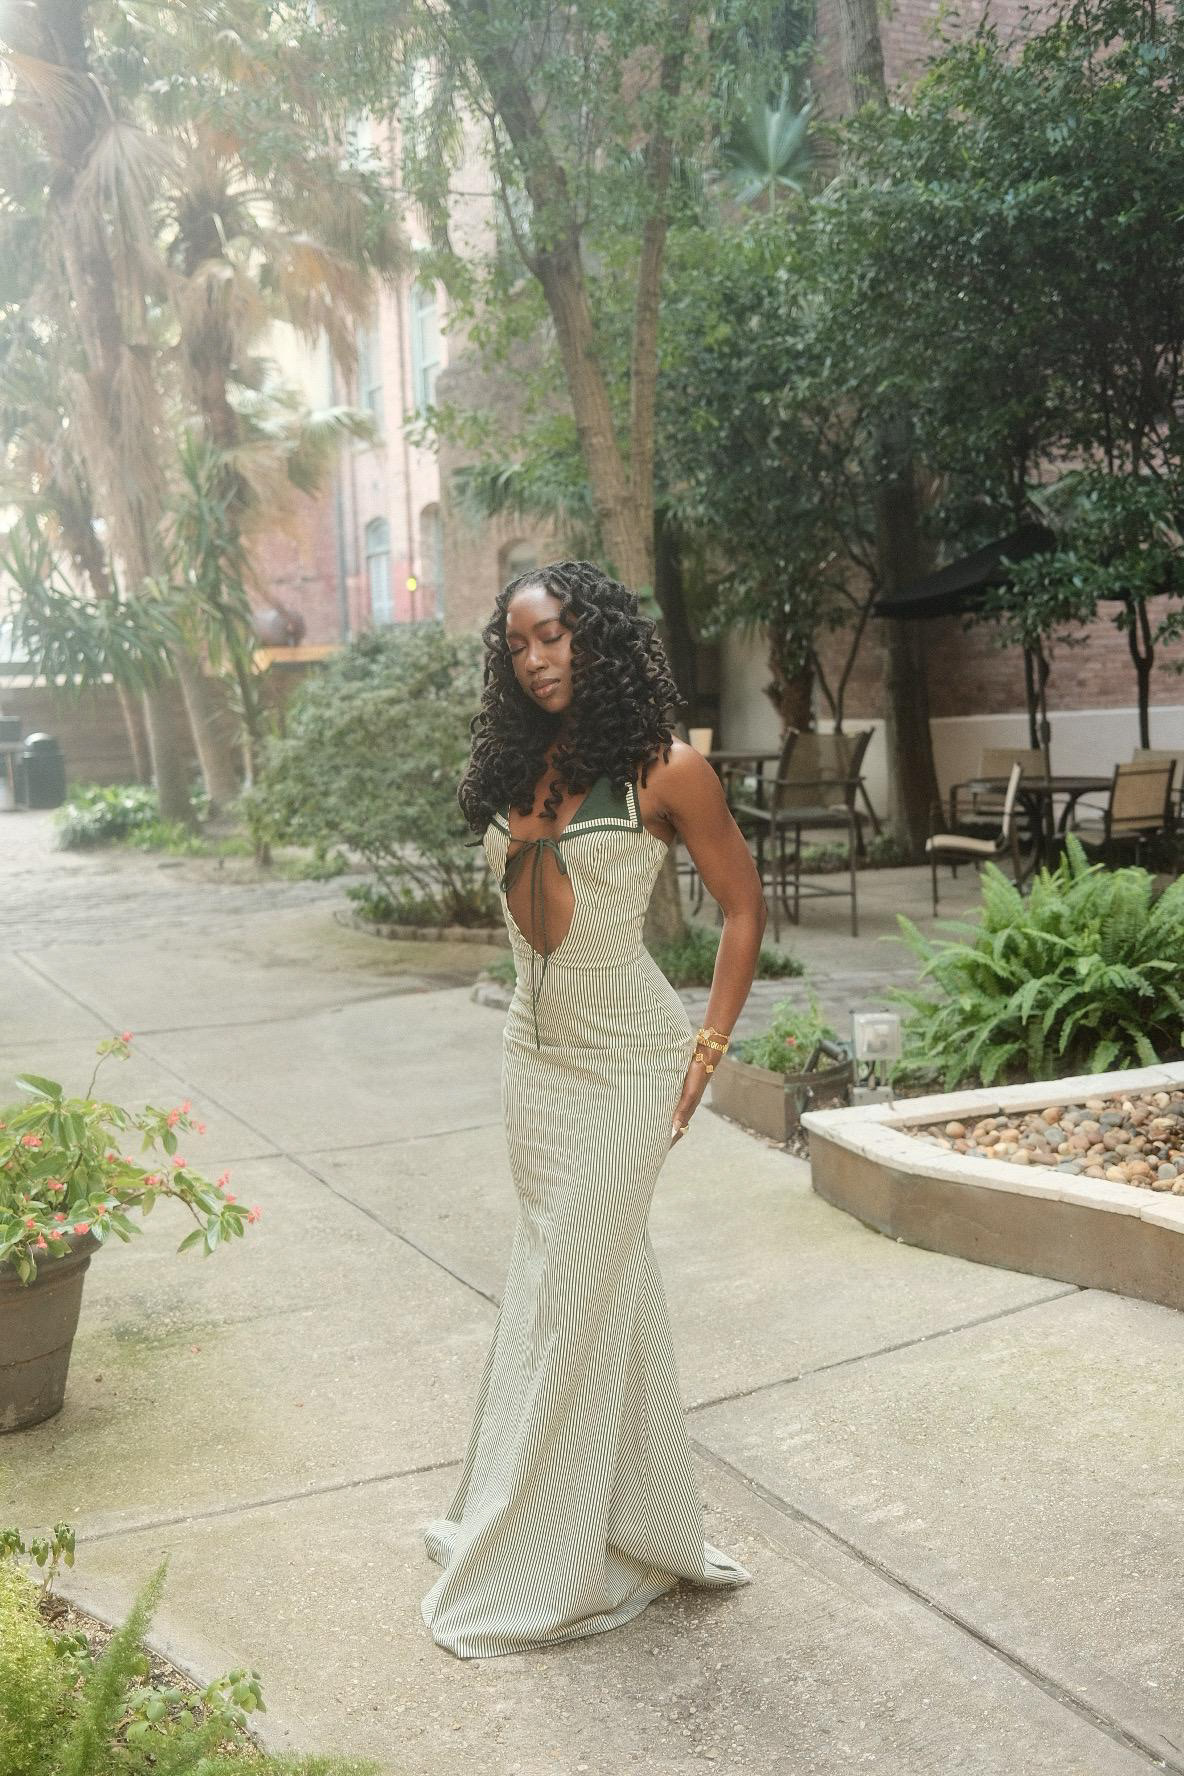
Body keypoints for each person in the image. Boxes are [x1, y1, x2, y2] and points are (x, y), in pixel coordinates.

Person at [421, 559, 767, 1658]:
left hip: (627, 1065)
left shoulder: (666, 769)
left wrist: (706, 1048)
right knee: (567, 1281)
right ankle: (636, 1521)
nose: (537, 659)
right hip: (531, 1064)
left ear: (598, 635)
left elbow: (743, 906)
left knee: (576, 1286)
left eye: (555, 635)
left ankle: (550, 1552)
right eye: (518, 644)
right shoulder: (517, 761)